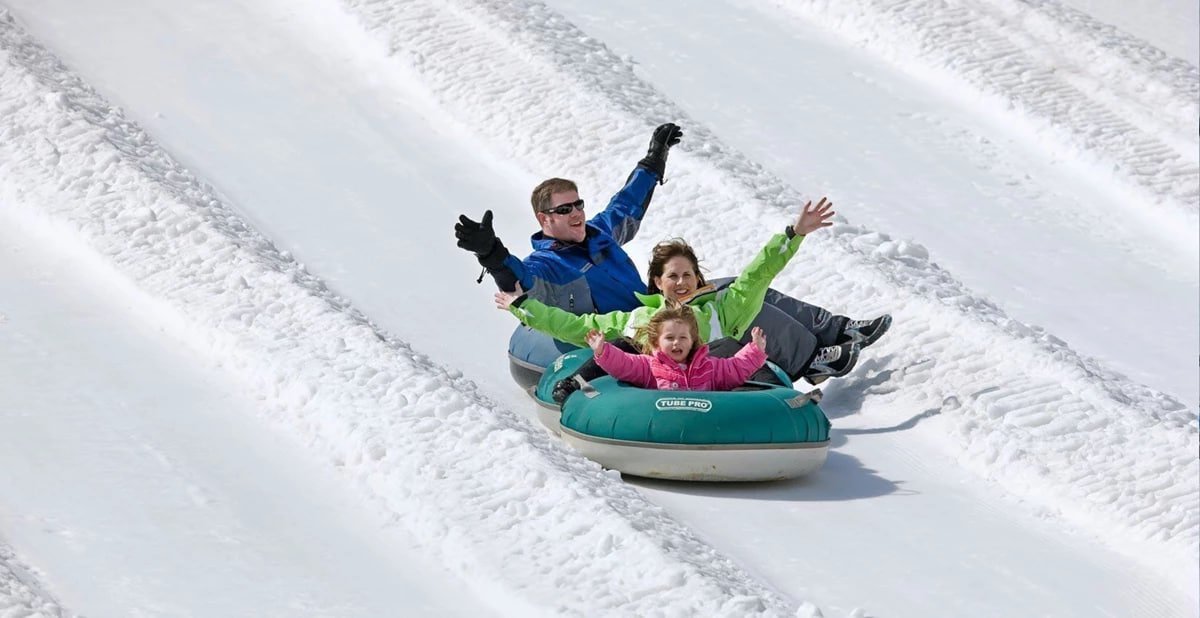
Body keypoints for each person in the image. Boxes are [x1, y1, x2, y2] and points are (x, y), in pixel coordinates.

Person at [456, 122, 890, 381]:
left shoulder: (600, 232)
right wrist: (490, 253)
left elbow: (627, 203)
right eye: (564, 208)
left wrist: (653, 158)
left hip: (656, 308)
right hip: (627, 331)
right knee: (739, 311)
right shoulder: (546, 265)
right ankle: (811, 360)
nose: (577, 213)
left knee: (742, 289)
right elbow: (517, 281)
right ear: (543, 218)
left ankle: (837, 330)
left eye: (579, 203)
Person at [495, 199, 848, 399]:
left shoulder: (721, 308)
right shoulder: (634, 318)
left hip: (712, 387)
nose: (681, 283)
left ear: (698, 279)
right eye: (672, 276)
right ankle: (576, 385)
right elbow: (571, 325)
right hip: (654, 392)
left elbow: (758, 273)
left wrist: (793, 234)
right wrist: (522, 305)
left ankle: (782, 405)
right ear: (658, 283)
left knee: (732, 352)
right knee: (619, 344)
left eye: (687, 275)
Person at [584, 305, 768, 392]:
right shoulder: (650, 366)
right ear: (657, 343)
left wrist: (755, 350)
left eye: (683, 338)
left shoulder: (708, 366)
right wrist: (603, 350)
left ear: (692, 341)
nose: (676, 343)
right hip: (665, 424)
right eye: (669, 338)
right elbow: (624, 364)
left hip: (703, 423)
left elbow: (734, 368)